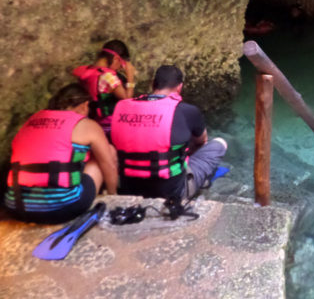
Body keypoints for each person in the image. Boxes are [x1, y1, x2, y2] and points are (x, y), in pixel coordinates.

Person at [4, 84, 118, 223]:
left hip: (16, 206)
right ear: (84, 105)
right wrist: (114, 195)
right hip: (62, 208)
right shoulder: (85, 124)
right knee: (107, 152)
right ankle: (110, 194)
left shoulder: (30, 121)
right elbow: (108, 164)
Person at [110, 65, 227, 200]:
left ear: (152, 84)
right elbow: (201, 141)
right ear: (180, 87)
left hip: (129, 189)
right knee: (219, 143)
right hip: (172, 192)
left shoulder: (122, 107)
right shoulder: (187, 111)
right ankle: (196, 181)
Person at [72, 39, 137, 136]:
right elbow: (127, 99)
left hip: (91, 122)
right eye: (121, 65)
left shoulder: (85, 71)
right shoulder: (108, 76)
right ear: (115, 59)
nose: (119, 69)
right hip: (108, 126)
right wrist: (130, 76)